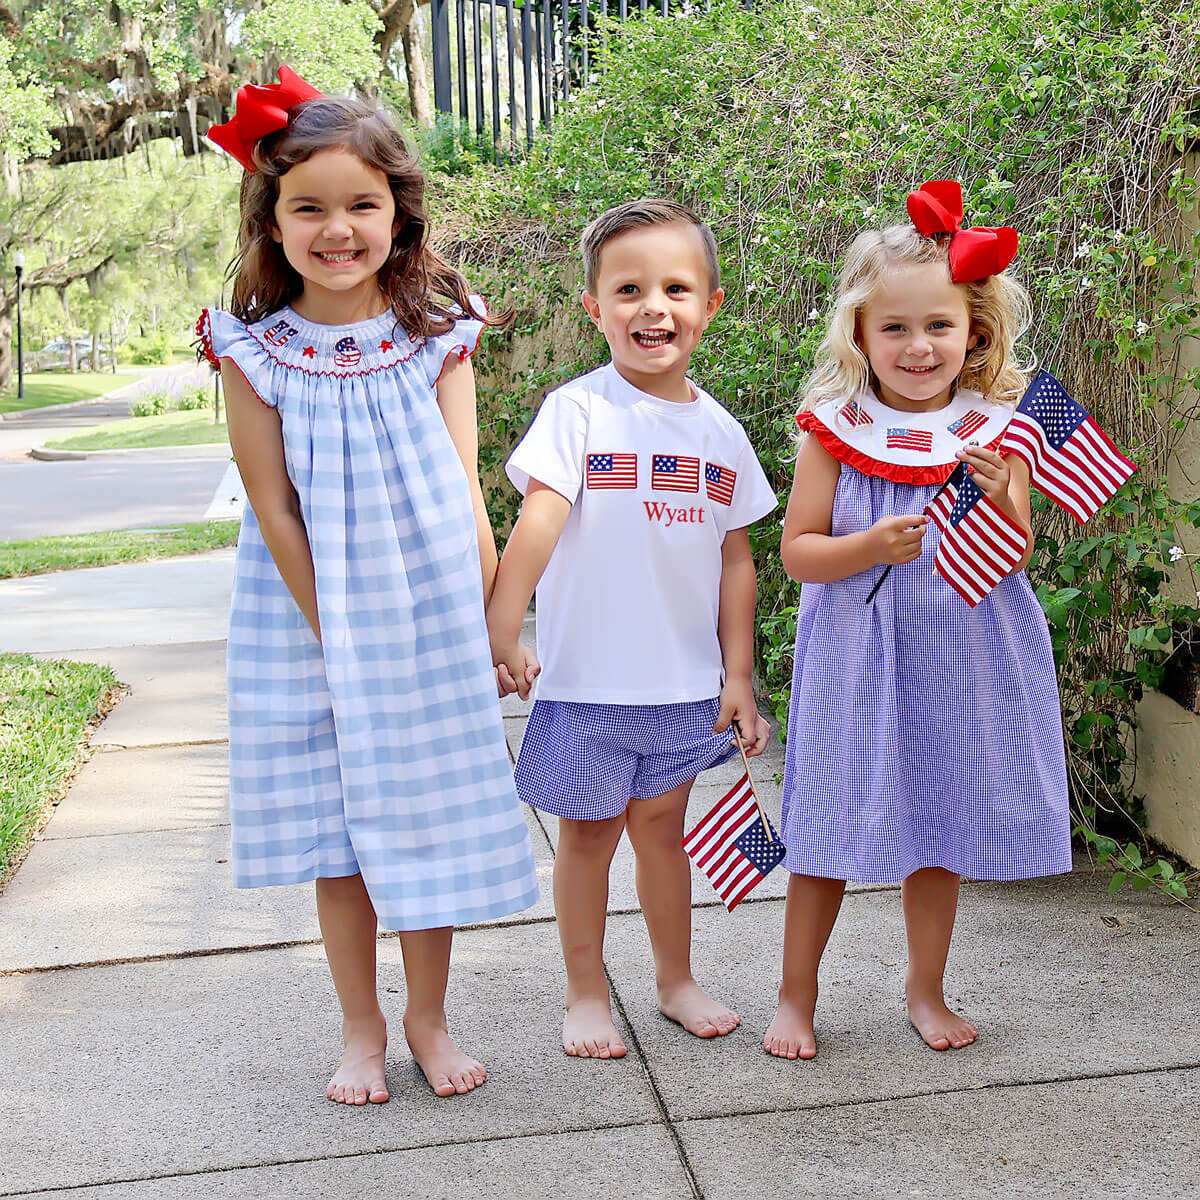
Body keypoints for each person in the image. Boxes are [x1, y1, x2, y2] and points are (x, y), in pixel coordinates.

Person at [196, 67, 539, 1104]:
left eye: (361, 205)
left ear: (398, 213)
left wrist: (498, 622)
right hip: (308, 622)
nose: (337, 229)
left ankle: (429, 1017)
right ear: (273, 220)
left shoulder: (435, 333)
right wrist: (330, 626)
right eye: (309, 208)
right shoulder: (255, 351)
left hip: (426, 619)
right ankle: (361, 1026)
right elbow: (273, 508)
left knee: (423, 821)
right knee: (340, 842)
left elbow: (468, 487)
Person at [764, 180, 1071, 1061]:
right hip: (857, 658)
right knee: (825, 826)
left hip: (960, 655)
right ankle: (796, 994)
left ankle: (925, 988)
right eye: (894, 327)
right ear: (859, 335)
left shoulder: (998, 431)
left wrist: (1001, 499)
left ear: (974, 329)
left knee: (939, 826)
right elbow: (798, 553)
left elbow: (1014, 555)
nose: (918, 345)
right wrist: (866, 547)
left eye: (938, 324)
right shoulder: (835, 429)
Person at [487, 199, 777, 1059]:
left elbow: (736, 562)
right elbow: (538, 523)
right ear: (595, 307)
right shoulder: (578, 411)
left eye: (676, 289)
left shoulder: (720, 432)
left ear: (709, 306)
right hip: (588, 685)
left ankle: (675, 981)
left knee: (663, 835)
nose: (654, 307)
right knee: (587, 841)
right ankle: (584, 993)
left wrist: (737, 677)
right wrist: (501, 628)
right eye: (628, 290)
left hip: (683, 688)